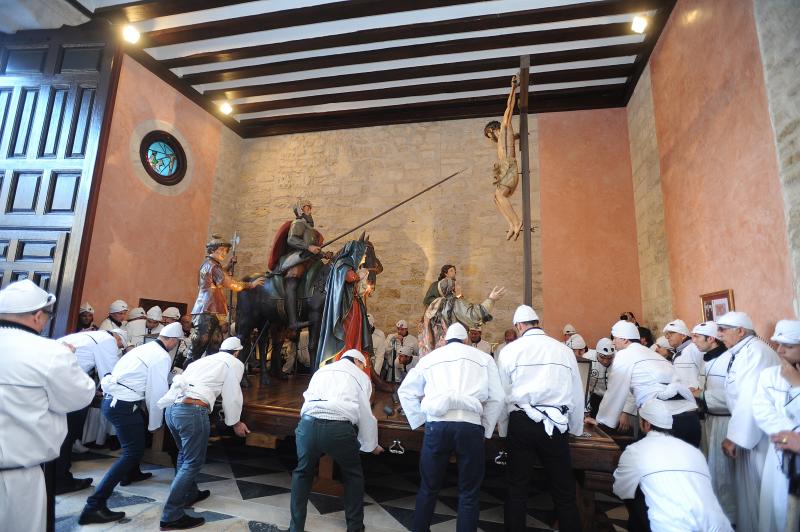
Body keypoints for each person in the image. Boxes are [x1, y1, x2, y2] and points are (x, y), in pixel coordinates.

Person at [0, 280, 96, 532]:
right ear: (37, 315)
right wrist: (68, 358)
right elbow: (80, 396)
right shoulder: (50, 352)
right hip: (16, 477)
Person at [399, 323, 504, 531]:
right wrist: (485, 428)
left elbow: (406, 391)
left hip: (437, 425)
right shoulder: (484, 358)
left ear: (445, 340)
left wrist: (421, 420)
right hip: (470, 426)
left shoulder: (430, 358)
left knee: (428, 487)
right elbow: (498, 397)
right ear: (466, 340)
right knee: (469, 493)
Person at [79, 322, 183, 525]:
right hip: (123, 405)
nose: (175, 345)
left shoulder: (145, 348)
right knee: (132, 452)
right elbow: (156, 391)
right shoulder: (161, 356)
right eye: (177, 342)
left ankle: (131, 474)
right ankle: (94, 505)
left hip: (114, 401)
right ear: (172, 340)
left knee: (138, 434)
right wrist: (157, 421)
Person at [496, 305, 584, 532]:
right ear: (537, 323)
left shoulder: (510, 351)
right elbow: (576, 393)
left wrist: (503, 431)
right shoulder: (563, 350)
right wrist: (575, 429)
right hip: (555, 424)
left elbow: (502, 395)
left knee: (517, 489)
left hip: (522, 423)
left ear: (519, 326)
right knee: (564, 491)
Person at [156, 336, 250, 530]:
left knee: (184, 455)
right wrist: (235, 422)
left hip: (172, 409)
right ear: (237, 352)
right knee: (192, 463)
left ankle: (190, 495)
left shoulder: (203, 360)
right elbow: (232, 395)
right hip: (192, 411)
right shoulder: (233, 363)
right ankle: (171, 515)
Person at [290, 349, 382, 532]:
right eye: (363, 365)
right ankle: (355, 527)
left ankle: (295, 528)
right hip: (339, 429)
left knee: (302, 473)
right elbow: (365, 414)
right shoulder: (360, 376)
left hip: (308, 425)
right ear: (358, 362)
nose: (363, 369)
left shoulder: (321, 370)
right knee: (353, 474)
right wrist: (371, 445)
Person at [613, 399, 733, 532]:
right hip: (715, 526)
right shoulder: (694, 452)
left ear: (646, 424)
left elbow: (620, 489)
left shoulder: (635, 451)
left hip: (669, 527)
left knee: (634, 489)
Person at [716, 311, 779, 532]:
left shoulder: (756, 352)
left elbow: (750, 397)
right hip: (750, 431)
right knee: (750, 490)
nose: (719, 334)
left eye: (723, 329)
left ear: (740, 331)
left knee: (761, 489)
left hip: (760, 434)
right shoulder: (742, 351)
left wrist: (735, 437)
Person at [596, 320, 701, 447]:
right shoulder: (653, 354)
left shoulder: (624, 354)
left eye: (615, 338)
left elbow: (615, 391)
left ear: (624, 339)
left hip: (664, 421)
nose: (613, 342)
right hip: (691, 417)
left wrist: (601, 422)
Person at [54, 329, 125, 494]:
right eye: (120, 345)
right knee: (67, 435)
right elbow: (110, 374)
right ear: (117, 337)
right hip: (68, 388)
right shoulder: (107, 340)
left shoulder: (88, 337)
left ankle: (56, 477)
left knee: (60, 435)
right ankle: (61, 480)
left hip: (57, 385)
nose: (119, 348)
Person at [752, 319, 800, 532]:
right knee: (779, 510)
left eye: (788, 346)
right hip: (780, 451)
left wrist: (797, 385)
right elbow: (762, 412)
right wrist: (792, 434)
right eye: (778, 344)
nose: (779, 350)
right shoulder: (769, 375)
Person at [188, 234, 264, 365]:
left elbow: (219, 275)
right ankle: (187, 371)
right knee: (199, 346)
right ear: (213, 250)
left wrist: (229, 265)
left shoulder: (211, 265)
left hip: (212, 310)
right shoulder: (212, 265)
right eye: (221, 250)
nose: (224, 253)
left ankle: (209, 373)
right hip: (207, 310)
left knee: (215, 346)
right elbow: (230, 283)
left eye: (226, 251)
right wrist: (251, 285)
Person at [689, 321, 736, 524]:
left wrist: (702, 394)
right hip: (708, 420)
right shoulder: (706, 359)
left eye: (697, 337)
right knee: (712, 470)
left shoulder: (729, 360)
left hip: (725, 423)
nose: (693, 341)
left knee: (724, 473)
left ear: (711, 339)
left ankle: (730, 517)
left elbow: (735, 396)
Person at [269, 199, 326, 330]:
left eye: (310, 208)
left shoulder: (310, 228)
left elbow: (313, 248)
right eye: (307, 207)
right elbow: (292, 239)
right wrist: (309, 247)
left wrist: (323, 254)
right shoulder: (298, 223)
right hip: (297, 258)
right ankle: (293, 321)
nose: (309, 210)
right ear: (300, 210)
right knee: (292, 281)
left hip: (309, 259)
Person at [420, 277, 506, 355]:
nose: (460, 287)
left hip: (435, 352)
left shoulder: (432, 306)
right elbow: (474, 315)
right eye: (457, 285)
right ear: (452, 289)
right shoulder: (454, 303)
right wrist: (491, 299)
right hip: (453, 350)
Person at [484, 76, 522, 240]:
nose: (491, 138)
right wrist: (518, 136)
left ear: (493, 130)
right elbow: (511, 141)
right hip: (505, 170)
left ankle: (517, 221)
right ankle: (511, 224)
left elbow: (509, 106)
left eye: (489, 135)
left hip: (509, 167)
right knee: (496, 197)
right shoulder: (505, 138)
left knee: (500, 195)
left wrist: (513, 88)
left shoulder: (505, 127)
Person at [664, 319, 704, 389]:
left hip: (696, 394)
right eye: (666, 334)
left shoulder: (695, 348)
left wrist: (699, 389)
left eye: (671, 333)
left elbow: (705, 371)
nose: (667, 337)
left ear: (683, 335)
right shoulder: (676, 352)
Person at [585, 338, 615, 418]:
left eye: (609, 358)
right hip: (594, 396)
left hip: (612, 398)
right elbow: (584, 385)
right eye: (602, 357)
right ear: (597, 353)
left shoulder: (619, 360)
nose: (605, 361)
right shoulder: (587, 358)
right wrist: (585, 407)